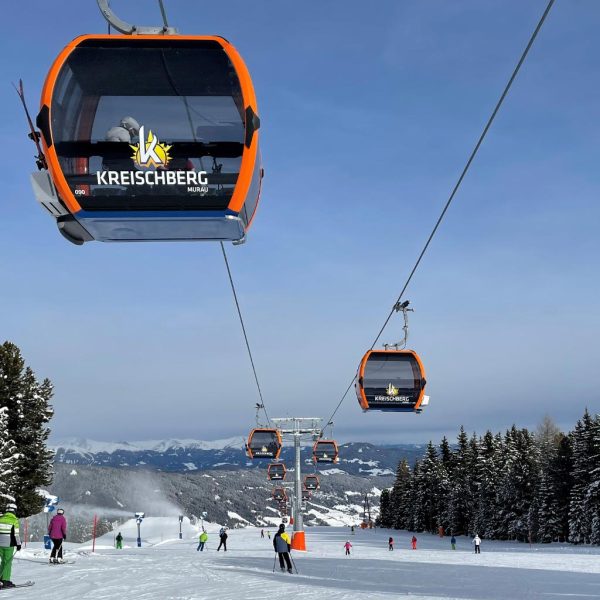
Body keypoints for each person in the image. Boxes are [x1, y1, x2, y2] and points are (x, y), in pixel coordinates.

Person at [0, 502, 21, 588]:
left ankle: (1, 578)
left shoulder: (0, 518)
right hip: (9, 544)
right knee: (8, 562)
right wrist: (18, 544)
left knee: (3, 561)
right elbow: (16, 534)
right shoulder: (14, 520)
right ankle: (6, 581)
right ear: (14, 511)